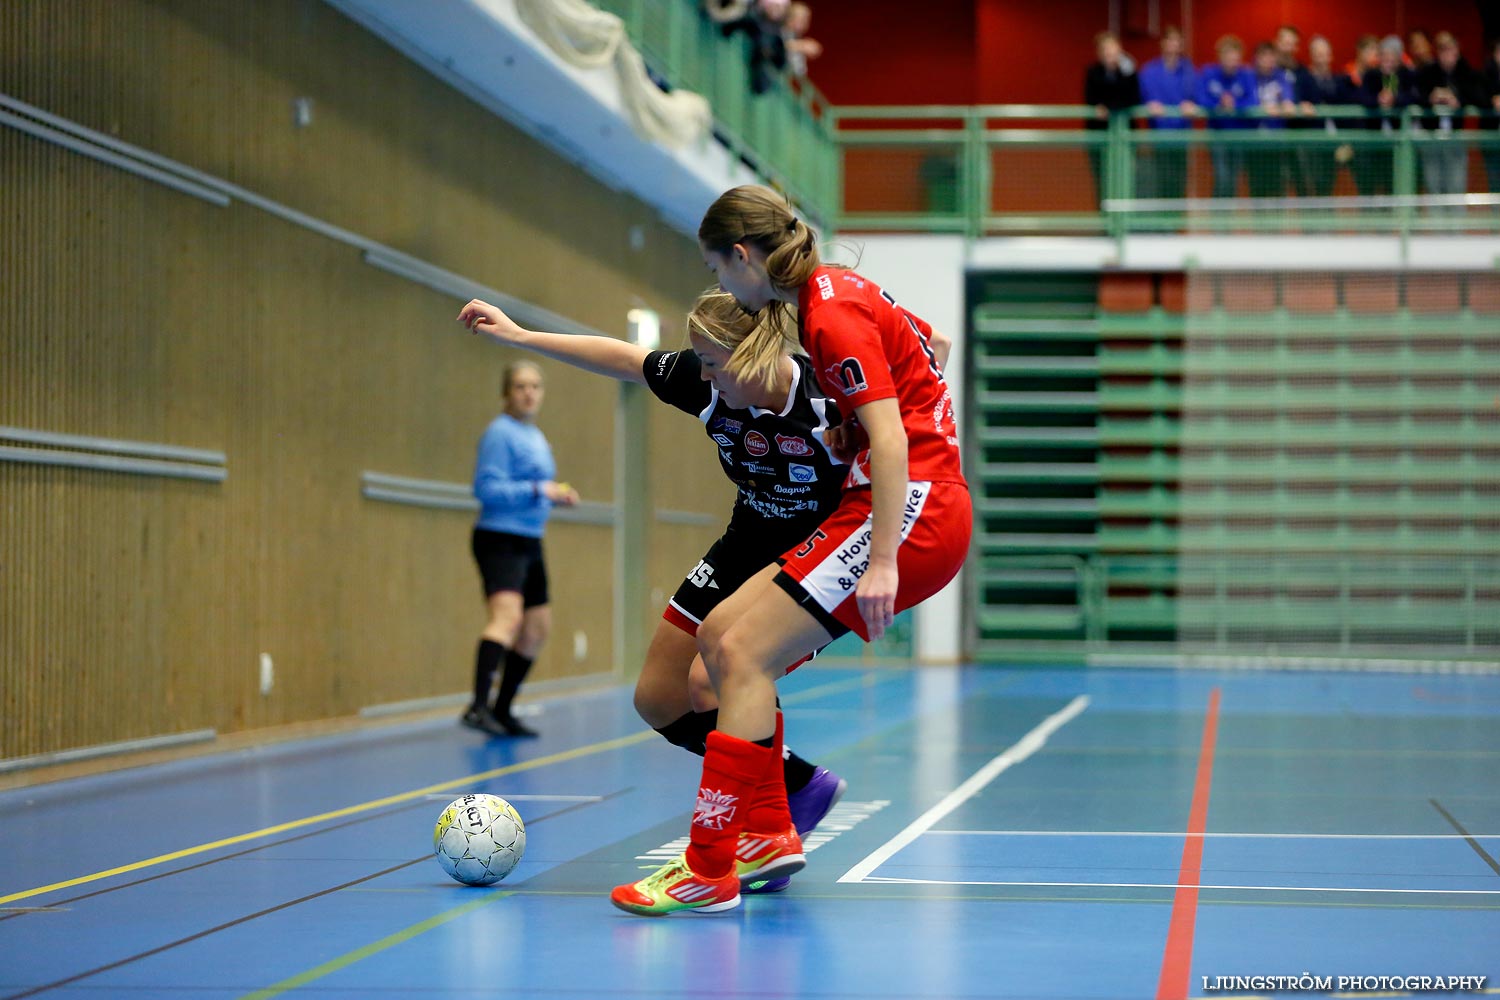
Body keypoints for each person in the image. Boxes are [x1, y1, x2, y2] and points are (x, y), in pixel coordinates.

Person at [610, 185, 972, 915]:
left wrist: (882, 563)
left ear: (742, 257)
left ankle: (708, 868)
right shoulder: (839, 290)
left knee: (741, 655)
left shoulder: (829, 312)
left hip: (910, 510)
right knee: (718, 638)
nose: (720, 287)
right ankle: (771, 832)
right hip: (891, 503)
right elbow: (932, 346)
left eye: (717, 271)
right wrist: (855, 426)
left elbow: (898, 437)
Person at [456, 290, 867, 887]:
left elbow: (907, 430)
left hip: (817, 553)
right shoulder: (708, 385)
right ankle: (798, 785)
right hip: (746, 537)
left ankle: (763, 828)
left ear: (751, 359)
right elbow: (624, 357)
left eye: (713, 365)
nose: (701, 377)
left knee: (712, 676)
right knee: (658, 697)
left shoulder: (830, 403)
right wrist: (519, 335)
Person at [462, 362, 578, 738]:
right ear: (506, 393)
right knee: (507, 619)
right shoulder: (500, 434)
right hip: (500, 537)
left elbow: (538, 486)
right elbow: (486, 489)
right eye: (520, 386)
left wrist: (556, 495)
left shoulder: (536, 437)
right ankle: (478, 707)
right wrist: (536, 490)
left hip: (531, 538)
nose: (528, 392)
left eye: (535, 386)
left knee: (536, 629)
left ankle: (502, 709)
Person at [1414, 32, 1486, 210]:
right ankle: (1437, 230)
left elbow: (1479, 97)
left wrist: (1458, 100)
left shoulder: (1466, 71)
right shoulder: (1427, 72)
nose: (1447, 55)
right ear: (1437, 53)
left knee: (1456, 184)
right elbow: (1415, 96)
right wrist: (1431, 98)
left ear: (1457, 51)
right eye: (1442, 51)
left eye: (1450, 50)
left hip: (1455, 137)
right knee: (1433, 184)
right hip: (1431, 137)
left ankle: (1456, 231)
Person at [1296, 35, 1363, 197]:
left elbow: (1355, 98)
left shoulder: (1340, 80)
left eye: (1325, 53)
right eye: (1318, 53)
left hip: (1336, 141)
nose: (1322, 58)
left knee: (1330, 183)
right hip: (1312, 140)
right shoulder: (1303, 79)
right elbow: (1298, 102)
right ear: (1311, 55)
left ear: (1331, 55)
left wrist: (1346, 140)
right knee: (1311, 183)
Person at [1137, 25, 1198, 201]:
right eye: (1169, 40)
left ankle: (1175, 224)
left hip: (1182, 135)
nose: (1173, 44)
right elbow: (1143, 96)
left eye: (1176, 40)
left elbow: (1195, 95)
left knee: (1179, 180)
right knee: (1161, 178)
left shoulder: (1188, 70)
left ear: (1181, 44)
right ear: (1162, 44)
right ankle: (1162, 224)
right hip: (1159, 135)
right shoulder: (1149, 71)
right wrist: (1150, 105)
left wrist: (1191, 104)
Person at [1084, 31, 1141, 206]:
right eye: (1107, 52)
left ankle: (1125, 220)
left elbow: (1132, 99)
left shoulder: (1128, 73)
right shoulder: (1093, 73)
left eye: (1114, 52)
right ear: (1100, 53)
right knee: (1102, 180)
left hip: (1125, 137)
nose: (1111, 56)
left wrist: (1127, 71)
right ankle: (1105, 221)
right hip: (1100, 136)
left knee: (1126, 177)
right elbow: (1092, 100)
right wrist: (1106, 106)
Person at [1360, 36, 1420, 196]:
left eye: (1391, 58)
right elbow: (1362, 97)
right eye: (1384, 57)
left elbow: (1415, 97)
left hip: (1400, 141)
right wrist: (1377, 99)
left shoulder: (1407, 75)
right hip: (1374, 141)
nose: (1387, 62)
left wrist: (1396, 99)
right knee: (1371, 181)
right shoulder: (1371, 75)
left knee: (1395, 182)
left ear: (1399, 58)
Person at [1199, 35, 1256, 199]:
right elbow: (1200, 98)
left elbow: (1252, 100)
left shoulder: (1246, 75)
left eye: (1235, 57)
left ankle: (1227, 217)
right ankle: (1218, 217)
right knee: (1221, 176)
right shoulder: (1208, 73)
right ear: (1220, 56)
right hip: (1217, 135)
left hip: (1240, 135)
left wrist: (1234, 105)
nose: (1232, 61)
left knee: (1233, 179)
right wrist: (1218, 103)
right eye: (1228, 57)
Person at [1247, 41, 1298, 198]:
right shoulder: (1249, 77)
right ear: (1257, 58)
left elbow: (1289, 100)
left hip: (1277, 140)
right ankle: (1259, 221)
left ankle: (1276, 220)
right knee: (1257, 186)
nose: (1268, 60)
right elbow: (1248, 101)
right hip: (1254, 141)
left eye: (1271, 56)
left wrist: (1287, 103)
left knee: (1278, 185)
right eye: (1264, 56)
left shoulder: (1281, 76)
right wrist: (1262, 108)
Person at [1485, 38, 1500, 196]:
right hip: (1492, 139)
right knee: (1495, 180)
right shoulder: (1487, 73)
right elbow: (1478, 95)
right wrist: (1492, 99)